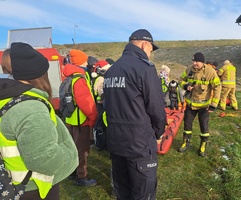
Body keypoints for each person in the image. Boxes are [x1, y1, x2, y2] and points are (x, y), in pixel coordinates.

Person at [0, 42, 78, 199]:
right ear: (41, 75)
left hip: (12, 185)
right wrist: (71, 155)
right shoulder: (31, 109)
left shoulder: (7, 98)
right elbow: (44, 160)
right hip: (32, 188)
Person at [103, 29, 166, 200]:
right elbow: (157, 109)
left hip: (116, 141)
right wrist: (159, 133)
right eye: (151, 50)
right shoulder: (144, 69)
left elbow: (107, 105)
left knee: (122, 190)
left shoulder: (111, 70)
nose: (150, 55)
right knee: (143, 192)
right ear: (145, 44)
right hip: (139, 143)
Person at [62, 49, 98, 186]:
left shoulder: (69, 77)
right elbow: (86, 103)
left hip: (71, 119)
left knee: (72, 147)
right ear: (81, 61)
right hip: (81, 121)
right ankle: (81, 176)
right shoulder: (79, 79)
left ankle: (71, 171)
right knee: (82, 150)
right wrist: (94, 117)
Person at [178, 52, 221, 156]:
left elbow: (218, 87)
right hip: (190, 105)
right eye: (193, 61)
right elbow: (180, 80)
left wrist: (214, 104)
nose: (194, 63)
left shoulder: (210, 72)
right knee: (187, 125)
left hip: (204, 107)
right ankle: (185, 143)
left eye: (197, 61)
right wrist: (186, 85)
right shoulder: (188, 70)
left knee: (204, 127)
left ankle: (203, 146)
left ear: (202, 62)